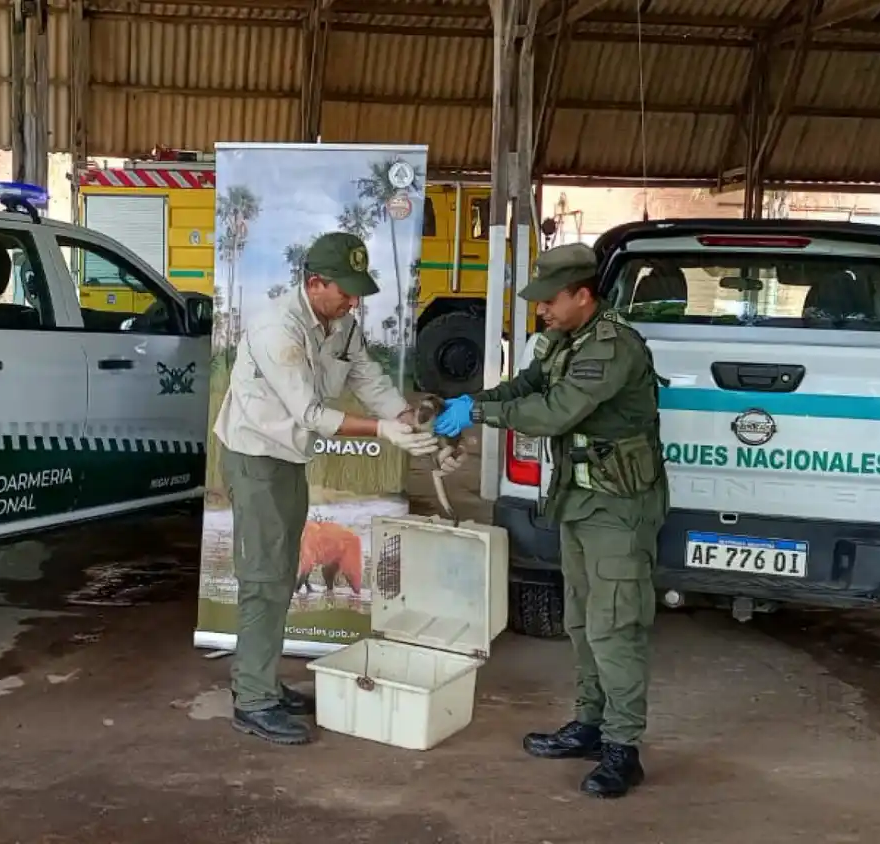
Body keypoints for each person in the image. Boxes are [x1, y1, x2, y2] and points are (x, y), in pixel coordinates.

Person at [433, 242, 668, 799]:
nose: (541, 310)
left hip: (618, 508)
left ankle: (623, 749)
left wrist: (480, 413)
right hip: (580, 501)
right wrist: (472, 400)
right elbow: (528, 387)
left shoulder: (612, 347)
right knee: (582, 621)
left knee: (615, 626)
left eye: (549, 300)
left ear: (583, 296)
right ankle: (590, 724)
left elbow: (555, 412)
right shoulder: (567, 338)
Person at [214, 231, 439, 746]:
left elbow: (367, 377)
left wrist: (406, 418)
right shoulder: (277, 328)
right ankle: (253, 700)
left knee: (283, 569)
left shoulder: (341, 324)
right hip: (256, 459)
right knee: (265, 576)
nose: (354, 300)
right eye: (346, 290)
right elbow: (311, 414)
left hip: (288, 458)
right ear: (315, 283)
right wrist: (383, 431)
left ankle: (261, 680)